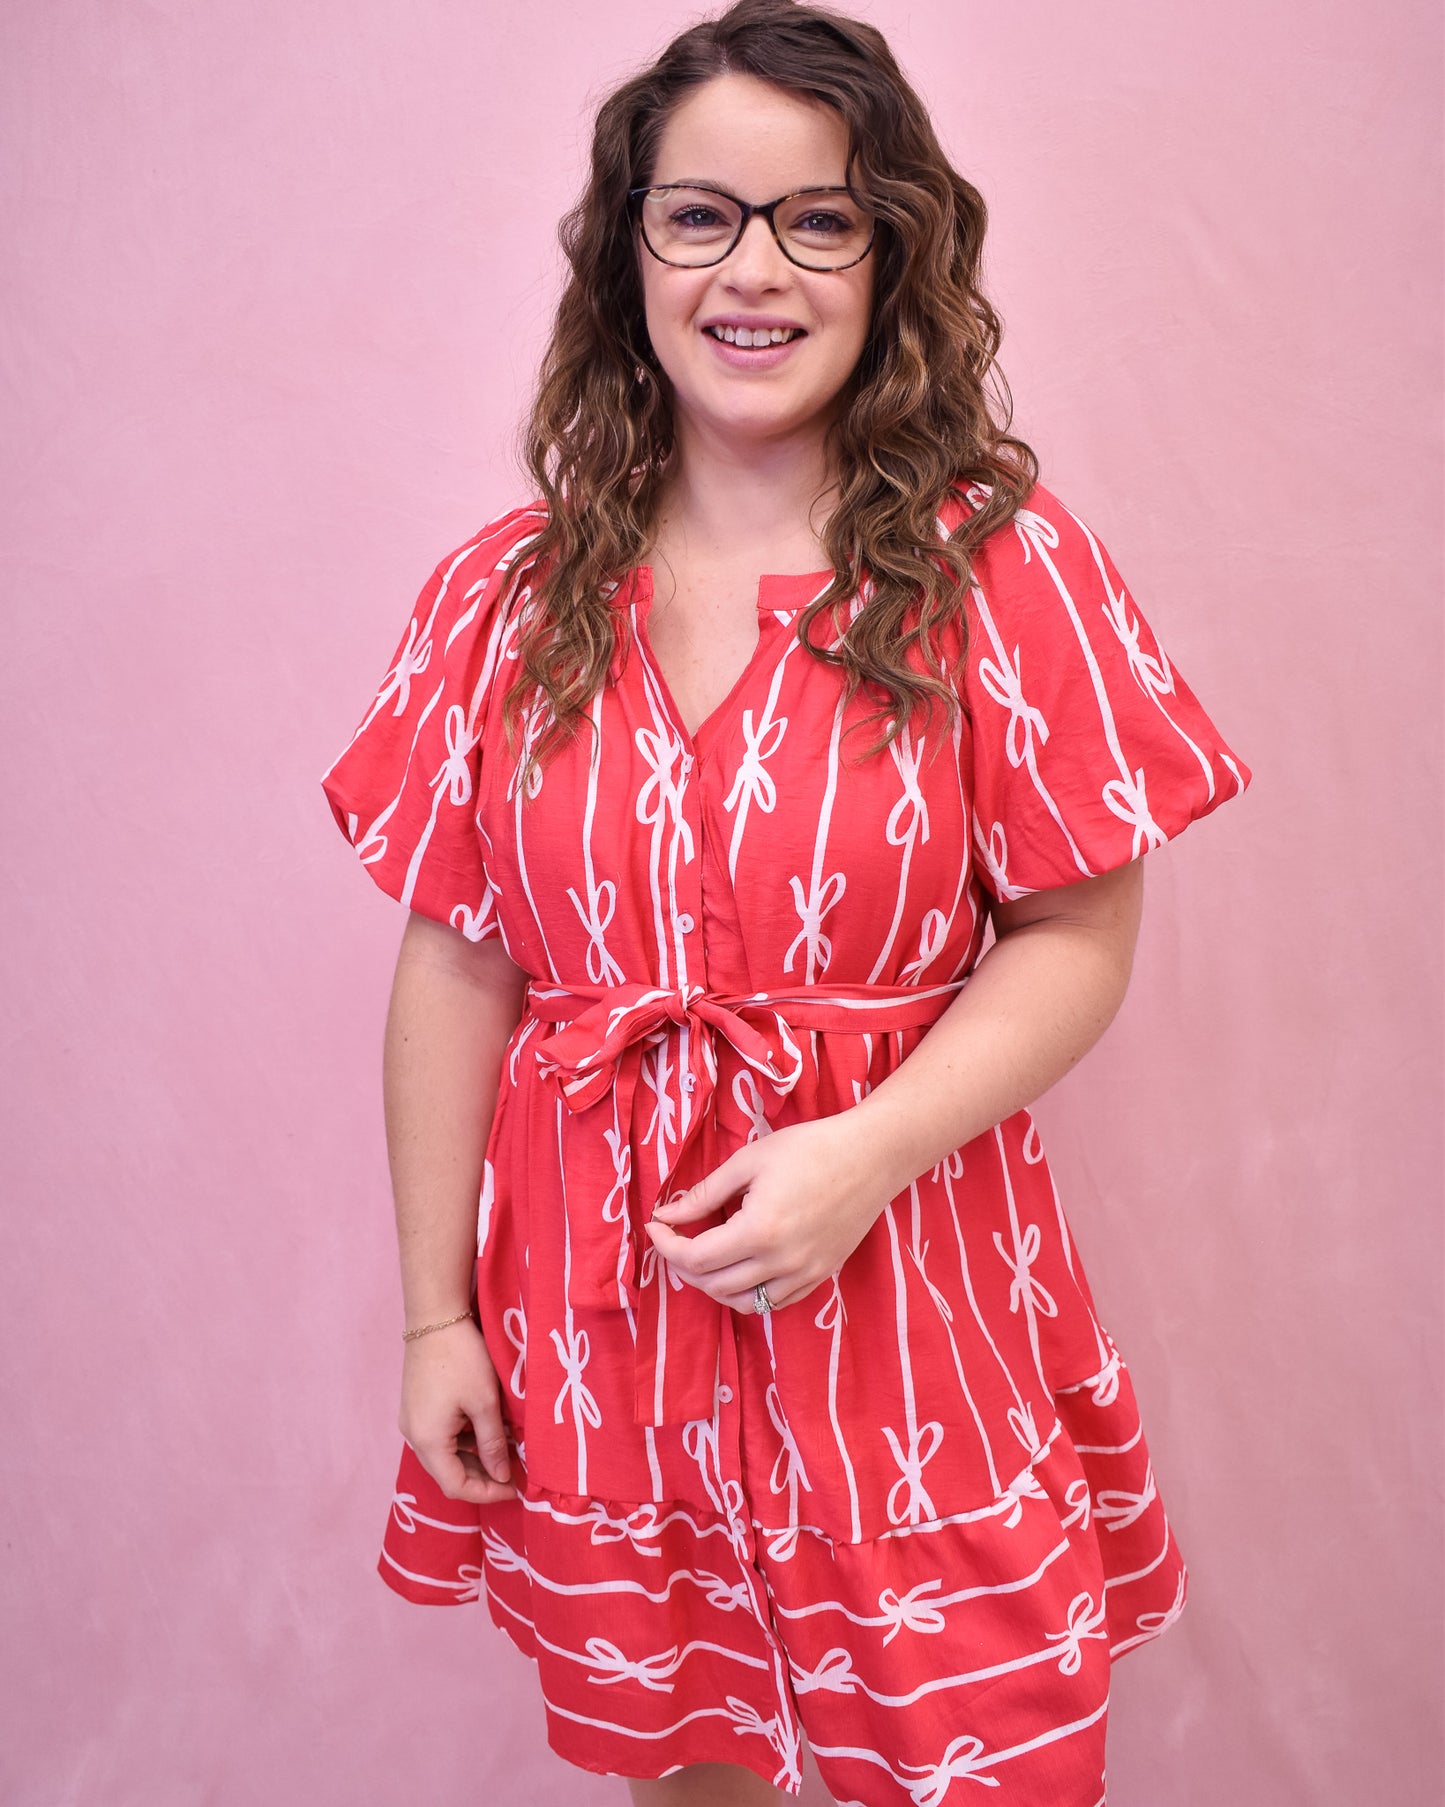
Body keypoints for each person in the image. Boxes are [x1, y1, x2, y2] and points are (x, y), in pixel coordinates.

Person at [320, 3, 1249, 1801]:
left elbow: (1078, 936)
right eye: (700, 217)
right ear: (630, 254)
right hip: (605, 1326)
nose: (757, 271)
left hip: (907, 1296)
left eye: (817, 220)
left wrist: (863, 1153)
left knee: (970, 1762)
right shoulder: (501, 600)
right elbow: (455, 963)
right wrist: (438, 1315)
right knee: (691, 1767)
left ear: (890, 254)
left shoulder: (998, 563)